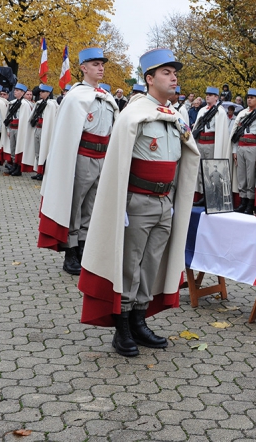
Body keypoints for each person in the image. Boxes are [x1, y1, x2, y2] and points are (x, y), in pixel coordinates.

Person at [78, 48, 199, 357]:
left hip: (164, 202)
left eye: (175, 73)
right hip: (138, 202)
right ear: (149, 79)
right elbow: (119, 164)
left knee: (151, 264)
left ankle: (140, 320)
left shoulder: (176, 115)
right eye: (167, 73)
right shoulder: (134, 113)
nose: (174, 78)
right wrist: (119, 208)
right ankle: (122, 328)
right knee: (130, 265)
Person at [38, 48, 119, 276]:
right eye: (95, 64)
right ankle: (70, 251)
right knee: (75, 204)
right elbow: (67, 134)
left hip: (102, 156)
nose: (100, 68)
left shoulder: (107, 97)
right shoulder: (75, 96)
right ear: (83, 68)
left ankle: (84, 248)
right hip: (83, 156)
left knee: (91, 206)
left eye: (102, 64)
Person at [191, 86, 231, 206]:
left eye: (211, 95)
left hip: (212, 144)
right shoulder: (202, 110)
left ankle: (211, 196)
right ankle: (203, 194)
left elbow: (221, 132)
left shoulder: (220, 112)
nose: (207, 96)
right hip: (201, 143)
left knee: (211, 171)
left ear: (216, 97)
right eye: (207, 94)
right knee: (200, 171)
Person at [20, 84, 59, 180]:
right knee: (37, 151)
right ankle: (38, 170)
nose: (40, 93)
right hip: (38, 128)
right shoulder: (39, 103)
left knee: (44, 151)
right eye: (40, 92)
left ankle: (43, 172)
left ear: (48, 93)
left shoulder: (52, 104)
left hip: (45, 130)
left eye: (43, 92)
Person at [0, 83, 31, 176]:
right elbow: (9, 117)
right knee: (13, 148)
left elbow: (25, 118)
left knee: (19, 147)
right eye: (15, 90)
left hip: (20, 129)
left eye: (17, 91)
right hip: (12, 127)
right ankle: (14, 165)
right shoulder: (13, 103)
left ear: (22, 92)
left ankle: (18, 167)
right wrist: (8, 130)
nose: (15, 92)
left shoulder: (25, 104)